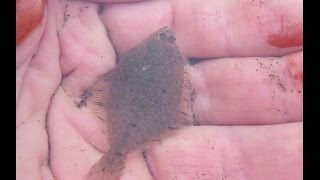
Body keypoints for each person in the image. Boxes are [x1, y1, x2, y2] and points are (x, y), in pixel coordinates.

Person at [16, 0, 303, 179]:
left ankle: (113, 161)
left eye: (166, 38)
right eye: (167, 38)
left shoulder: (146, 56)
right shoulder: (171, 63)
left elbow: (121, 76)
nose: (168, 39)